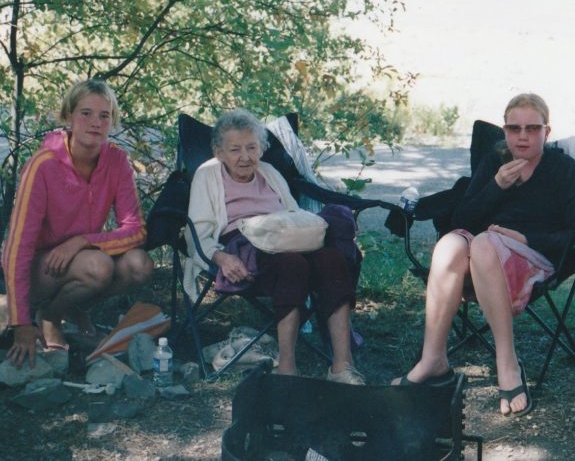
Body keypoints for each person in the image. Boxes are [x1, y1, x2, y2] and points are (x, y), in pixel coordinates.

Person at [392, 93, 575, 417]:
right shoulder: (494, 161)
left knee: (484, 243)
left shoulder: (563, 170)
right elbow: (461, 220)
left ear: (547, 131)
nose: (523, 136)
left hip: (533, 257)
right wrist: (495, 186)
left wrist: (525, 237)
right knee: (449, 245)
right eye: (514, 128)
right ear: (505, 130)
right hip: (482, 258)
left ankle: (507, 365)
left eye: (532, 128)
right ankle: (433, 360)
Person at [186, 109, 364, 382]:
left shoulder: (268, 172)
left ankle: (342, 366)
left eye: (252, 147)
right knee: (291, 265)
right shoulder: (207, 175)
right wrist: (221, 258)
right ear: (219, 152)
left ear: (262, 148)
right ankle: (287, 370)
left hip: (285, 239)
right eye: (235, 149)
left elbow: (293, 216)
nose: (245, 157)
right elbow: (197, 232)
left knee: (332, 260)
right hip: (243, 247)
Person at [2, 79, 154, 368]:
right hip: (41, 270)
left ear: (112, 121)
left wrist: (82, 241)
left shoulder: (117, 160)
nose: (95, 122)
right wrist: (19, 323)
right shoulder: (43, 165)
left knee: (139, 265)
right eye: (86, 113)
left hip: (83, 257)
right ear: (69, 116)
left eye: (104, 115)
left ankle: (68, 308)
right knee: (98, 266)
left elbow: (136, 230)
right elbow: (16, 248)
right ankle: (47, 316)